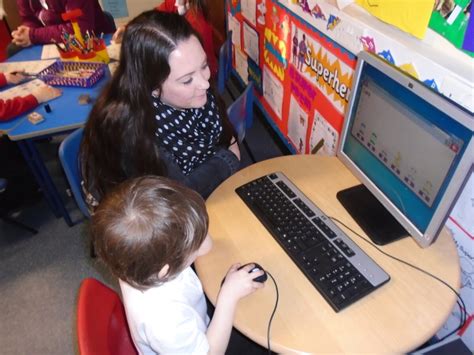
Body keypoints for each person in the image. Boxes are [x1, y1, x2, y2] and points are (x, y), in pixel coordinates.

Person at [81, 10, 240, 212]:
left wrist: (225, 149)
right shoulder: (131, 133)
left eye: (204, 66)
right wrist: (228, 159)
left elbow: (222, 134)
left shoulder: (190, 88)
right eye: (187, 80)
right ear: (152, 87)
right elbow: (177, 197)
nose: (205, 83)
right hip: (146, 218)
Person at [91, 175, 264, 354]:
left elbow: (205, 246)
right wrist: (228, 297)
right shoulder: (165, 322)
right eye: (191, 246)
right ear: (165, 271)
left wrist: (193, 226)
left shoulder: (133, 259)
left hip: (194, 321)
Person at [111, 0, 217, 76]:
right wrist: (128, 27)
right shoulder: (177, 3)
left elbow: (197, 69)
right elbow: (153, 17)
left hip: (200, 75)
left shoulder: (197, 25)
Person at [11, 0, 115, 49]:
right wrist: (26, 32)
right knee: (13, 48)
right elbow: (29, 18)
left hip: (92, 43)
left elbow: (78, 30)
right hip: (54, 44)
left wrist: (33, 35)